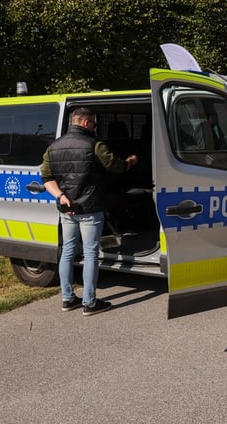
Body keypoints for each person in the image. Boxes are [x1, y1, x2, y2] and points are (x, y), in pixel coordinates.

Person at [41, 107, 139, 316]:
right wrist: (130, 163)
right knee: (91, 253)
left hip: (67, 209)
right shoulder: (94, 145)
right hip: (91, 208)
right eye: (94, 124)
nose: (95, 127)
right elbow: (115, 166)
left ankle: (68, 299)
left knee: (68, 251)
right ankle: (90, 302)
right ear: (86, 123)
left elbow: (46, 178)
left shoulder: (54, 147)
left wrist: (60, 196)